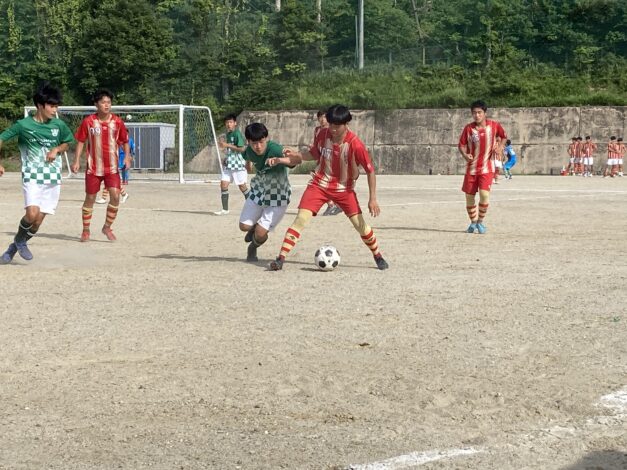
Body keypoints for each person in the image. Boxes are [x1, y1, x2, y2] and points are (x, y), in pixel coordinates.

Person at [268, 104, 389, 271]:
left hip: (343, 189)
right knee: (301, 218)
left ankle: (377, 255)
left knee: (360, 225)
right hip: (319, 184)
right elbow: (314, 154)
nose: (332, 128)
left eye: (336, 125)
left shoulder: (356, 145)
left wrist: (373, 199)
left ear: (346, 124)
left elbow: (370, 171)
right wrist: (297, 154)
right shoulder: (322, 133)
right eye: (330, 123)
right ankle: (280, 259)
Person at [0, 81, 74, 264]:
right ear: (40, 106)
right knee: (31, 214)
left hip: (52, 178)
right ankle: (19, 240)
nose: (54, 110)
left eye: (56, 106)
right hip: (32, 175)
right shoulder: (23, 125)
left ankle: (14, 246)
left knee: (37, 222)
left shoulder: (59, 125)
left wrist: (57, 149)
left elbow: (67, 142)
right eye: (51, 106)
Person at [71, 89, 131, 242]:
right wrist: (77, 160)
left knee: (116, 196)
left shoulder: (117, 122)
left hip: (111, 168)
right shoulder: (88, 122)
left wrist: (127, 157)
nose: (107, 105)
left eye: (109, 102)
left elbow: (124, 141)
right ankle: (85, 230)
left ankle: (107, 227)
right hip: (93, 168)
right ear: (96, 104)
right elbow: (81, 141)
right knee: (90, 198)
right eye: (103, 102)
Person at [238, 123, 294, 262]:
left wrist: (282, 159)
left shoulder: (274, 149)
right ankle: (253, 228)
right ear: (249, 142)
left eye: (261, 142)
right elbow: (246, 155)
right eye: (254, 143)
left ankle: (253, 247)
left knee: (260, 233)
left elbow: (295, 160)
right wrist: (248, 165)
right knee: (244, 227)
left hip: (278, 195)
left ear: (266, 139)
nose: (258, 146)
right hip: (259, 190)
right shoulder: (250, 150)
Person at [458, 100, 507, 234]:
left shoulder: (494, 126)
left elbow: (504, 137)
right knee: (469, 196)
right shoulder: (468, 129)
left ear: (485, 113)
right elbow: (461, 145)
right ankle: (473, 222)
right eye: (474, 113)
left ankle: (480, 221)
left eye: (479, 112)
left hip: (487, 167)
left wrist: (501, 147)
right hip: (472, 168)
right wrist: (464, 154)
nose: (477, 115)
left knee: (484, 194)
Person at [214, 113, 250, 215]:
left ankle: (254, 206)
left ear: (235, 123)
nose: (229, 124)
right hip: (230, 163)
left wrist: (227, 145)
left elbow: (242, 148)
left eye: (230, 122)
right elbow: (231, 149)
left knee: (242, 186)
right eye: (227, 122)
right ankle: (225, 210)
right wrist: (226, 158)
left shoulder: (237, 133)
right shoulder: (228, 134)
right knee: (223, 184)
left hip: (238, 164)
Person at [313, 110, 341, 216]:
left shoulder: (332, 130)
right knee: (322, 183)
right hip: (322, 161)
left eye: (324, 117)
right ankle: (333, 204)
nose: (322, 119)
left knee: (323, 183)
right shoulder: (317, 130)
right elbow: (316, 145)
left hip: (332, 161)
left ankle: (332, 204)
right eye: (320, 117)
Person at [96, 136, 134, 204]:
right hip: (107, 160)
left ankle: (104, 198)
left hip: (112, 160)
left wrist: (127, 156)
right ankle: (124, 194)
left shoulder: (114, 137)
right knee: (111, 180)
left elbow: (123, 146)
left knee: (108, 178)